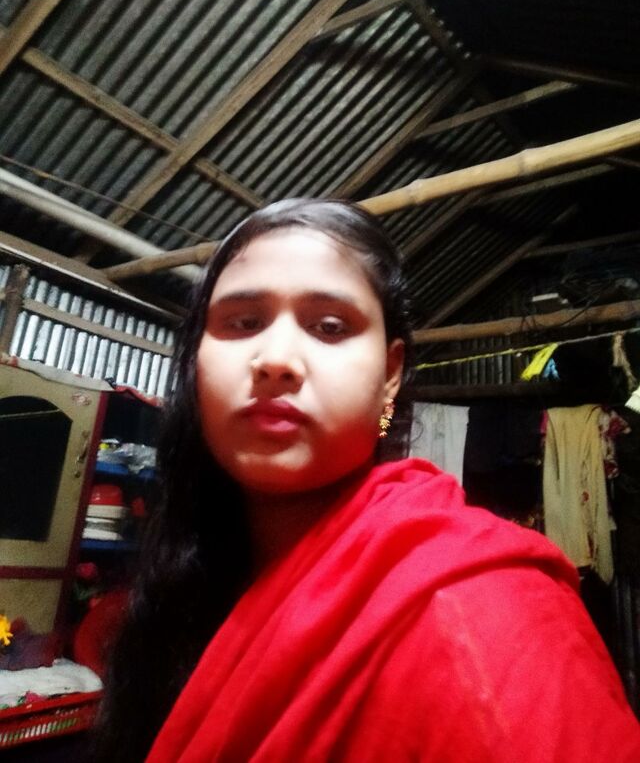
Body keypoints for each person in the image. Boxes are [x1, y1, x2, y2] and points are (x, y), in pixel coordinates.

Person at [95, 200, 640, 762]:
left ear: (390, 375)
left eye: (329, 327)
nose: (275, 359)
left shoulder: (481, 615)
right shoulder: (184, 581)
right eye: (244, 322)